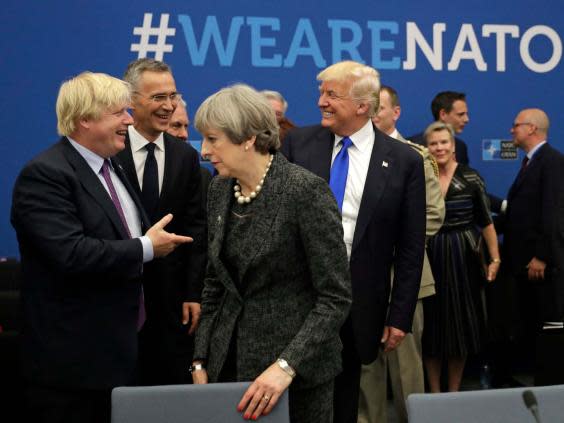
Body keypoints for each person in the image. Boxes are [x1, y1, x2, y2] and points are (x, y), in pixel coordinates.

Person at [11, 72, 192, 423]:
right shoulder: (46, 175)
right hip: (72, 368)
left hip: (123, 353)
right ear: (84, 119)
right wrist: (146, 247)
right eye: (118, 113)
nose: (128, 119)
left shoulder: (111, 166)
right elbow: (71, 254)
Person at [190, 84, 352, 423]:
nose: (204, 151)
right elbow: (215, 284)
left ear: (248, 138)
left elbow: (334, 297)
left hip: (296, 379)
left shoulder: (305, 192)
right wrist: (200, 358)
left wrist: (285, 366)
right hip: (229, 368)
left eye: (213, 139)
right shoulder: (219, 189)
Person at [282, 61, 426, 423]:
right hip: (296, 300)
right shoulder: (298, 144)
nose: (321, 102)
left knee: (345, 403)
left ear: (363, 106)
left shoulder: (405, 160)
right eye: (321, 93)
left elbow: (410, 247)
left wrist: (400, 315)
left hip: (358, 307)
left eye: (332, 94)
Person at [116, 58, 207, 385]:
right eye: (158, 98)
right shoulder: (110, 150)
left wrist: (193, 293)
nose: (169, 106)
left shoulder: (185, 156)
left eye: (173, 96)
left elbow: (196, 228)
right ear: (131, 100)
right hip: (120, 300)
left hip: (173, 306)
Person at [358, 85, 444, 423]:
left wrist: (384, 244)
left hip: (404, 280)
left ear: (396, 112)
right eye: (367, 106)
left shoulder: (416, 156)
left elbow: (434, 215)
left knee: (407, 373)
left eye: (378, 107)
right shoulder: (350, 155)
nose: (372, 113)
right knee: (366, 372)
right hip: (360, 280)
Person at [422, 121, 501, 392]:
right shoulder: (421, 178)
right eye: (434, 143)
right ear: (427, 148)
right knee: (431, 327)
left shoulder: (471, 177)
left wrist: (495, 259)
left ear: (453, 146)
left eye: (444, 142)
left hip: (463, 258)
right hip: (430, 256)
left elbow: (486, 222)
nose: (439, 147)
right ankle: (433, 392)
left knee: (460, 326)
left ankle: (453, 393)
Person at [498, 109, 563, 364]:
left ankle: (548, 386)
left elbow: (554, 213)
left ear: (532, 129)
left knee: (545, 326)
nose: (511, 130)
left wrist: (542, 256)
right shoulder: (530, 162)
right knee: (528, 324)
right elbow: (518, 212)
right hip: (522, 264)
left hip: (540, 265)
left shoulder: (553, 162)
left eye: (516, 125)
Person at [409, 91, 470, 165]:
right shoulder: (412, 146)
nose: (466, 119)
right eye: (461, 114)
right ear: (443, 114)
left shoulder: (460, 147)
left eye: (444, 142)